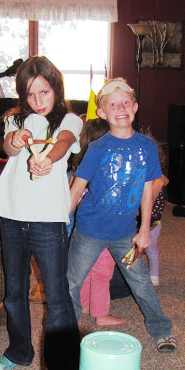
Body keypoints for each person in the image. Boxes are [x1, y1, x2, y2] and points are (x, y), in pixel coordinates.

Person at [0, 55, 83, 370]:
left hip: (47, 220)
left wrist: (47, 160)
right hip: (12, 217)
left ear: (56, 88)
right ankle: (19, 352)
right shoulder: (15, 119)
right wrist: (15, 140)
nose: (38, 101)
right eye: (30, 94)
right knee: (14, 293)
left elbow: (64, 143)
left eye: (44, 92)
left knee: (57, 297)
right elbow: (9, 147)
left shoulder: (70, 119)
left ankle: (65, 367)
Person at [66, 78, 176, 353]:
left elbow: (147, 190)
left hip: (125, 234)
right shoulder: (96, 149)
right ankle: (66, 331)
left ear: (135, 107)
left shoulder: (146, 147)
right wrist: (59, 221)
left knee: (141, 282)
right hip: (89, 231)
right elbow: (77, 189)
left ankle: (162, 330)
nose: (121, 108)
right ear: (102, 113)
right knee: (72, 282)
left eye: (126, 102)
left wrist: (144, 230)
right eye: (113, 105)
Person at [70, 118, 126, 327]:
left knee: (84, 270)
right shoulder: (108, 169)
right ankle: (101, 314)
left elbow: (72, 194)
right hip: (103, 229)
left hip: (83, 229)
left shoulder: (78, 166)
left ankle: (85, 304)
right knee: (103, 272)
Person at [145, 139, 169, 286]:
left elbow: (154, 204)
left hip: (153, 222)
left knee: (151, 249)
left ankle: (154, 275)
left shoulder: (157, 180)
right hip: (137, 222)